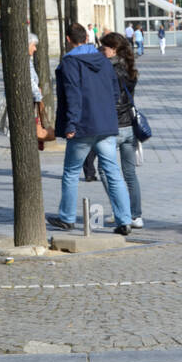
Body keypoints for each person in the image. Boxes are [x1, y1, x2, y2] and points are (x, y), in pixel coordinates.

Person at [48, 22, 132, 235]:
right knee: (113, 172)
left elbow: (73, 94)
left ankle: (66, 217)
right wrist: (107, 114)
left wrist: (71, 124)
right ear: (86, 38)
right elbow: (115, 91)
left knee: (71, 172)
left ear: (68, 39)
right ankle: (125, 220)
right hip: (106, 124)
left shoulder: (70, 62)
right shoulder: (102, 60)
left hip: (83, 126)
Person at [99, 32, 143, 227]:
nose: (102, 51)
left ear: (113, 49)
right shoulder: (130, 68)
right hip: (129, 127)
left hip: (112, 126)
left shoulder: (107, 69)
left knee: (104, 170)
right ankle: (136, 215)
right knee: (130, 173)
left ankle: (120, 209)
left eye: (104, 48)